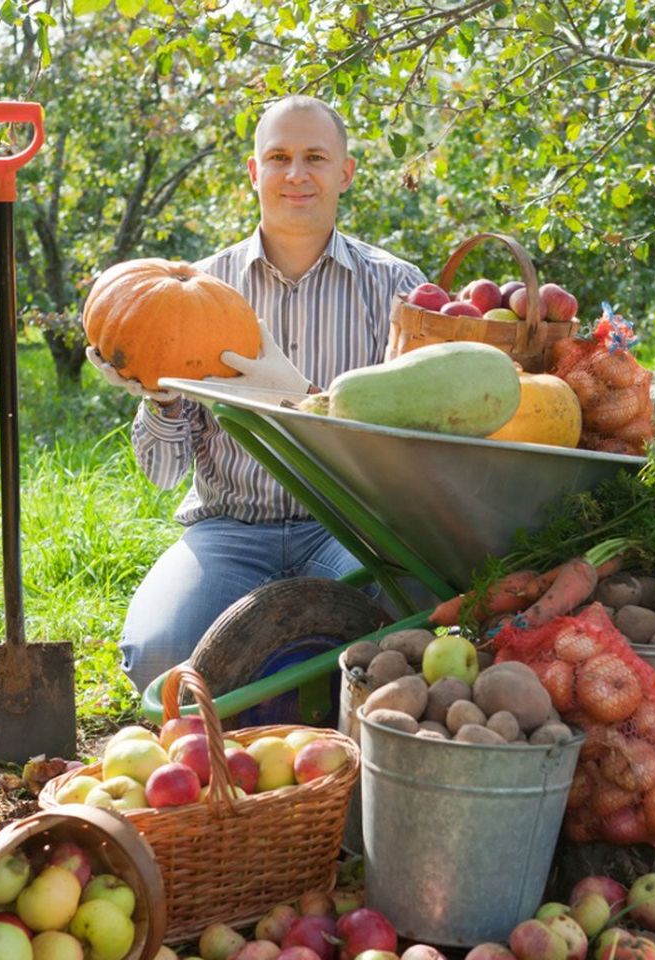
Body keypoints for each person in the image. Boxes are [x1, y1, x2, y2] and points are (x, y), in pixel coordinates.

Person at [88, 95, 427, 695]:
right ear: (254, 172)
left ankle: (328, 752)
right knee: (157, 660)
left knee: (414, 622)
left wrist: (302, 397)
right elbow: (163, 473)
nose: (296, 174)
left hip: (347, 528)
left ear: (345, 172)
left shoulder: (397, 288)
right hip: (230, 530)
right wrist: (158, 398)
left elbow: (416, 443)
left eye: (315, 157)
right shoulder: (191, 290)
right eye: (279, 157)